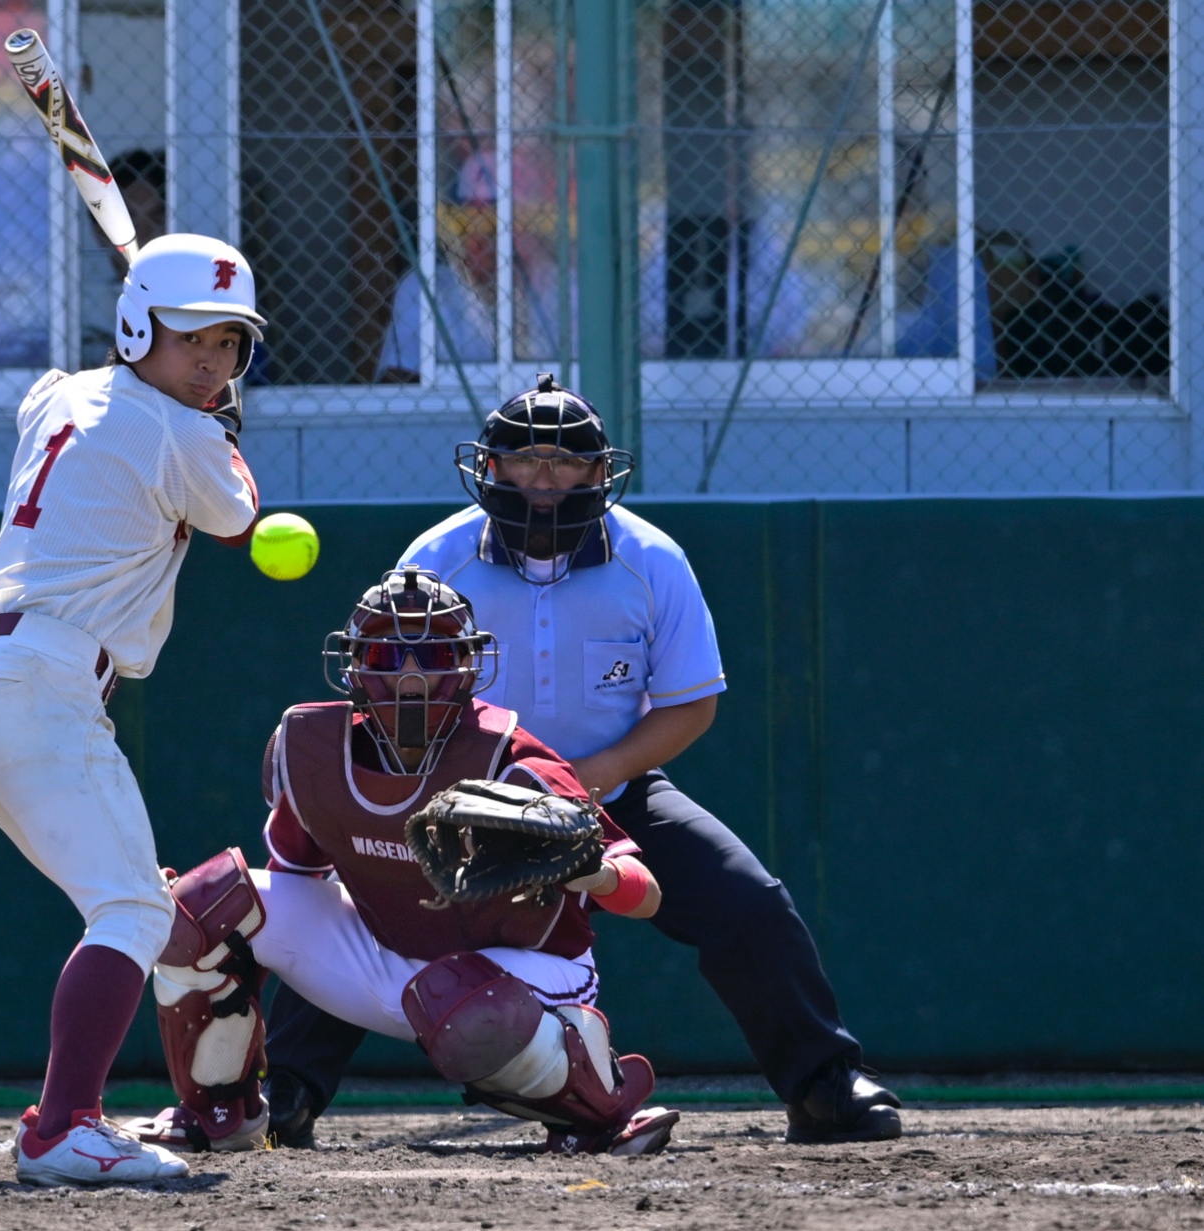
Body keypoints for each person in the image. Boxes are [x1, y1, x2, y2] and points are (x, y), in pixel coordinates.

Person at [264, 375, 904, 1147]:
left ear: (601, 471)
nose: (544, 479)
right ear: (488, 467)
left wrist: (575, 790)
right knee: (366, 904)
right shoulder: (435, 559)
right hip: (457, 806)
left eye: (566, 461)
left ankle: (823, 1087)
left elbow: (690, 707)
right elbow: (386, 688)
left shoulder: (651, 559)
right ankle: (285, 1093)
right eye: (524, 459)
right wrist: (478, 803)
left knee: (748, 903)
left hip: (610, 792)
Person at [135, 568, 679, 1157]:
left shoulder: (515, 761)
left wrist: (595, 873)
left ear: (468, 664)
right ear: (354, 665)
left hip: (528, 972)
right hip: (388, 952)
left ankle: (600, 1110)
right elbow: (289, 885)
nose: (412, 677)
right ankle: (220, 1112)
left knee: (458, 999)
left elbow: (646, 895)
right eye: (387, 656)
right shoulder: (314, 748)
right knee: (200, 907)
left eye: (436, 655)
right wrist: (204, 941)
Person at [0, 232, 263, 1187]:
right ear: (136, 327)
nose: (210, 363)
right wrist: (218, 427)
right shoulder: (186, 434)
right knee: (130, 909)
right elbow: (237, 520)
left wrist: (180, 396)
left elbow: (64, 400)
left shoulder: (60, 394)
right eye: (189, 338)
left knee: (132, 901)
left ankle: (87, 1116)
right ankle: (62, 1127)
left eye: (227, 344)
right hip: (41, 689)